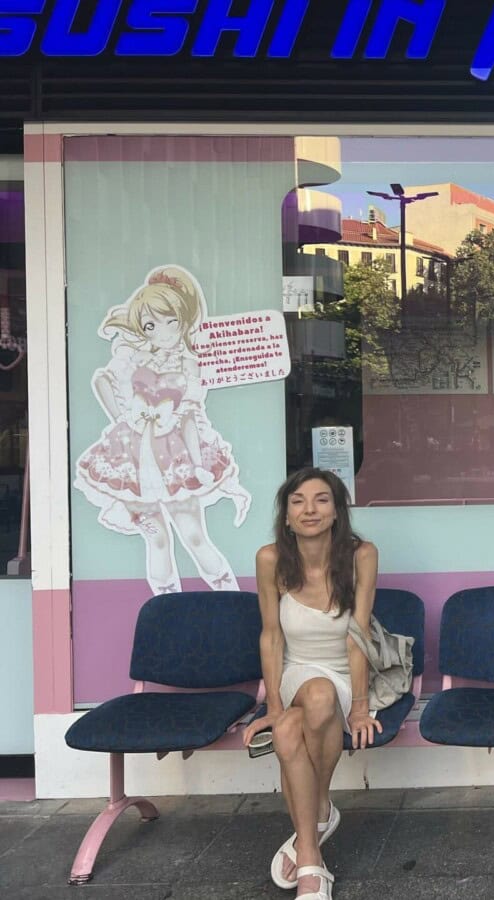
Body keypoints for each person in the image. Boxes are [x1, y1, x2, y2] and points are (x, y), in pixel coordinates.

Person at [243, 468, 381, 900]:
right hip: (297, 671)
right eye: (298, 501)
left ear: (337, 511)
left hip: (346, 671)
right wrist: (272, 705)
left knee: (291, 729)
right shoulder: (270, 560)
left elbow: (358, 636)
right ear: (286, 515)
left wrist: (359, 705)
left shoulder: (361, 555)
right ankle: (313, 842)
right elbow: (271, 635)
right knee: (308, 700)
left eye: (322, 500)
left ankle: (309, 841)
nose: (309, 509)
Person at [74, 266, 250, 594]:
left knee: (195, 535)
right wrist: (123, 420)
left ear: (183, 321)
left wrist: (197, 462)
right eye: (151, 325)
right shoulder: (134, 358)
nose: (163, 332)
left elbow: (190, 414)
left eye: (171, 321)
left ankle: (232, 601)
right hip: (133, 456)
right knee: (155, 538)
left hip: (175, 455)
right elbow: (102, 380)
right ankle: (164, 609)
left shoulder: (188, 364)